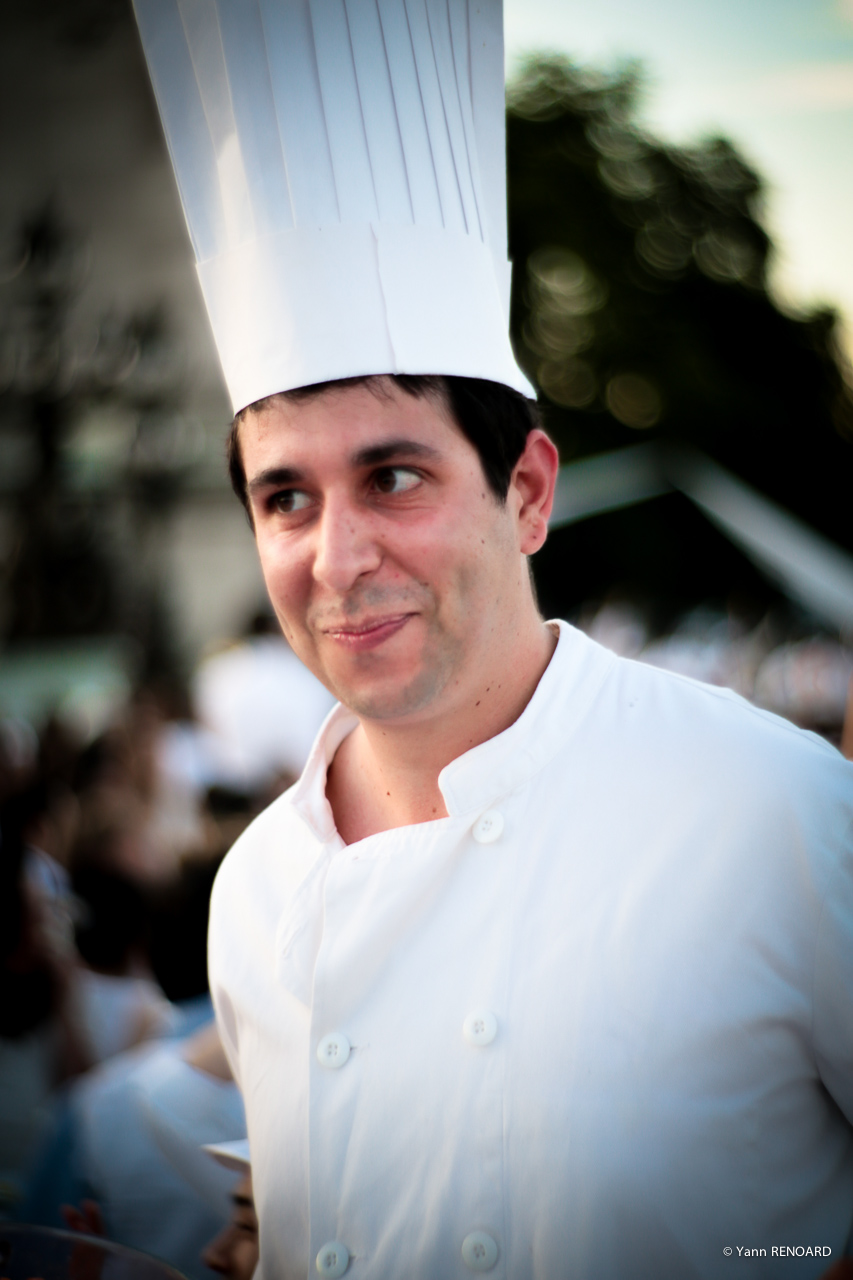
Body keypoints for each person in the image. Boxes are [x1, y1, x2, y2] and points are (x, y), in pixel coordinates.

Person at [132, 2, 853, 1276]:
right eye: (283, 496)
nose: (336, 559)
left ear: (526, 490)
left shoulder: (778, 810)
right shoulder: (253, 887)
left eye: (394, 477)